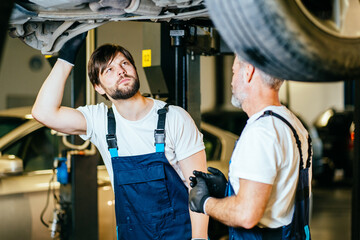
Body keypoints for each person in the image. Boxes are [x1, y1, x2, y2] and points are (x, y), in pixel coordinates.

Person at [32, 33, 209, 240]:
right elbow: (43, 113)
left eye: (125, 63)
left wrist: (199, 238)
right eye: (109, 69)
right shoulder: (100, 121)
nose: (121, 71)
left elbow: (197, 186)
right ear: (98, 87)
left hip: (180, 235)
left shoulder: (175, 118)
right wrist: (66, 58)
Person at [189, 55, 312, 239]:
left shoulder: (261, 132)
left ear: (248, 72)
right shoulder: (292, 123)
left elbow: (246, 216)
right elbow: (277, 196)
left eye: (234, 71)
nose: (231, 81)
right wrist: (228, 190)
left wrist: (205, 203)